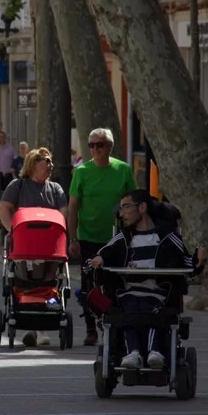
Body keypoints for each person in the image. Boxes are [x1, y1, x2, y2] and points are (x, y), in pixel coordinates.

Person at [88, 189, 196, 370]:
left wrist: (199, 259)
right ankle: (134, 353)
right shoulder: (123, 237)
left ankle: (155, 352)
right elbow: (103, 254)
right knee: (129, 309)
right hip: (129, 293)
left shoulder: (167, 237)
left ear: (142, 207)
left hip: (157, 293)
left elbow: (187, 262)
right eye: (120, 209)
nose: (121, 214)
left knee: (151, 310)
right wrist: (99, 260)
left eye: (126, 207)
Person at [68, 127, 138, 346]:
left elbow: (134, 201)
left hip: (117, 238)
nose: (95, 149)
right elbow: (72, 207)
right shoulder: (81, 172)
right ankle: (91, 329)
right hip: (89, 237)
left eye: (100, 145)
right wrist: (73, 239)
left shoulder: (123, 170)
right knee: (89, 285)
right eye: (91, 145)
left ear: (110, 147)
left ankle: (114, 325)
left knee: (116, 282)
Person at [0, 147, 69, 347]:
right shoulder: (18, 185)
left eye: (51, 161)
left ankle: (39, 328)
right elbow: (4, 207)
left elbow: (63, 213)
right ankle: (35, 329)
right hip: (24, 248)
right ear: (32, 164)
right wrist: (12, 230)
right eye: (46, 161)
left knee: (50, 282)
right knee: (26, 279)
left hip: (49, 249)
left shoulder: (55, 189)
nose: (50, 165)